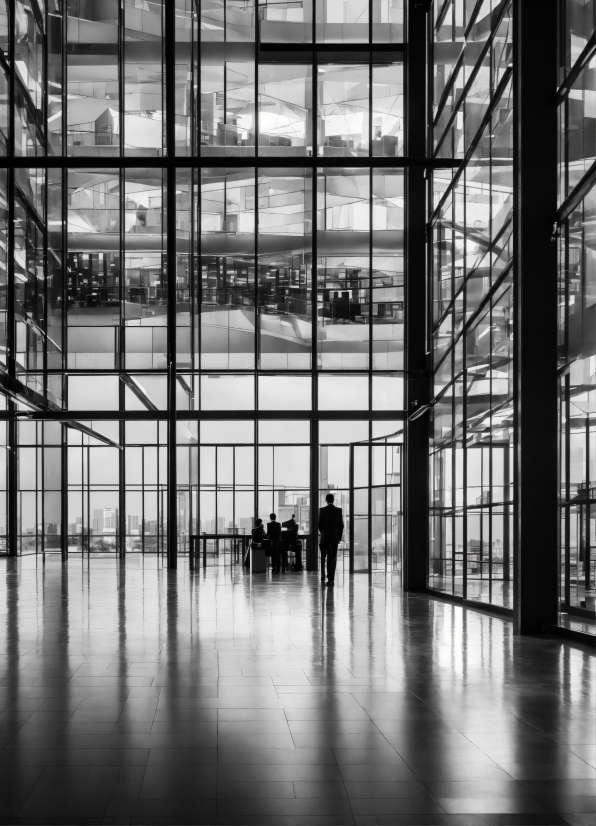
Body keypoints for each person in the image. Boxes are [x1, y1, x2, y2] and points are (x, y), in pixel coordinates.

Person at [318, 493, 344, 587]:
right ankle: (331, 578)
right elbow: (341, 525)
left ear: (326, 500)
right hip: (334, 537)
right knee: (333, 557)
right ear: (333, 500)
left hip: (325, 537)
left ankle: (324, 577)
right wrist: (338, 537)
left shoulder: (322, 510)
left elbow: (320, 525)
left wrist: (323, 533)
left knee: (325, 557)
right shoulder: (338, 510)